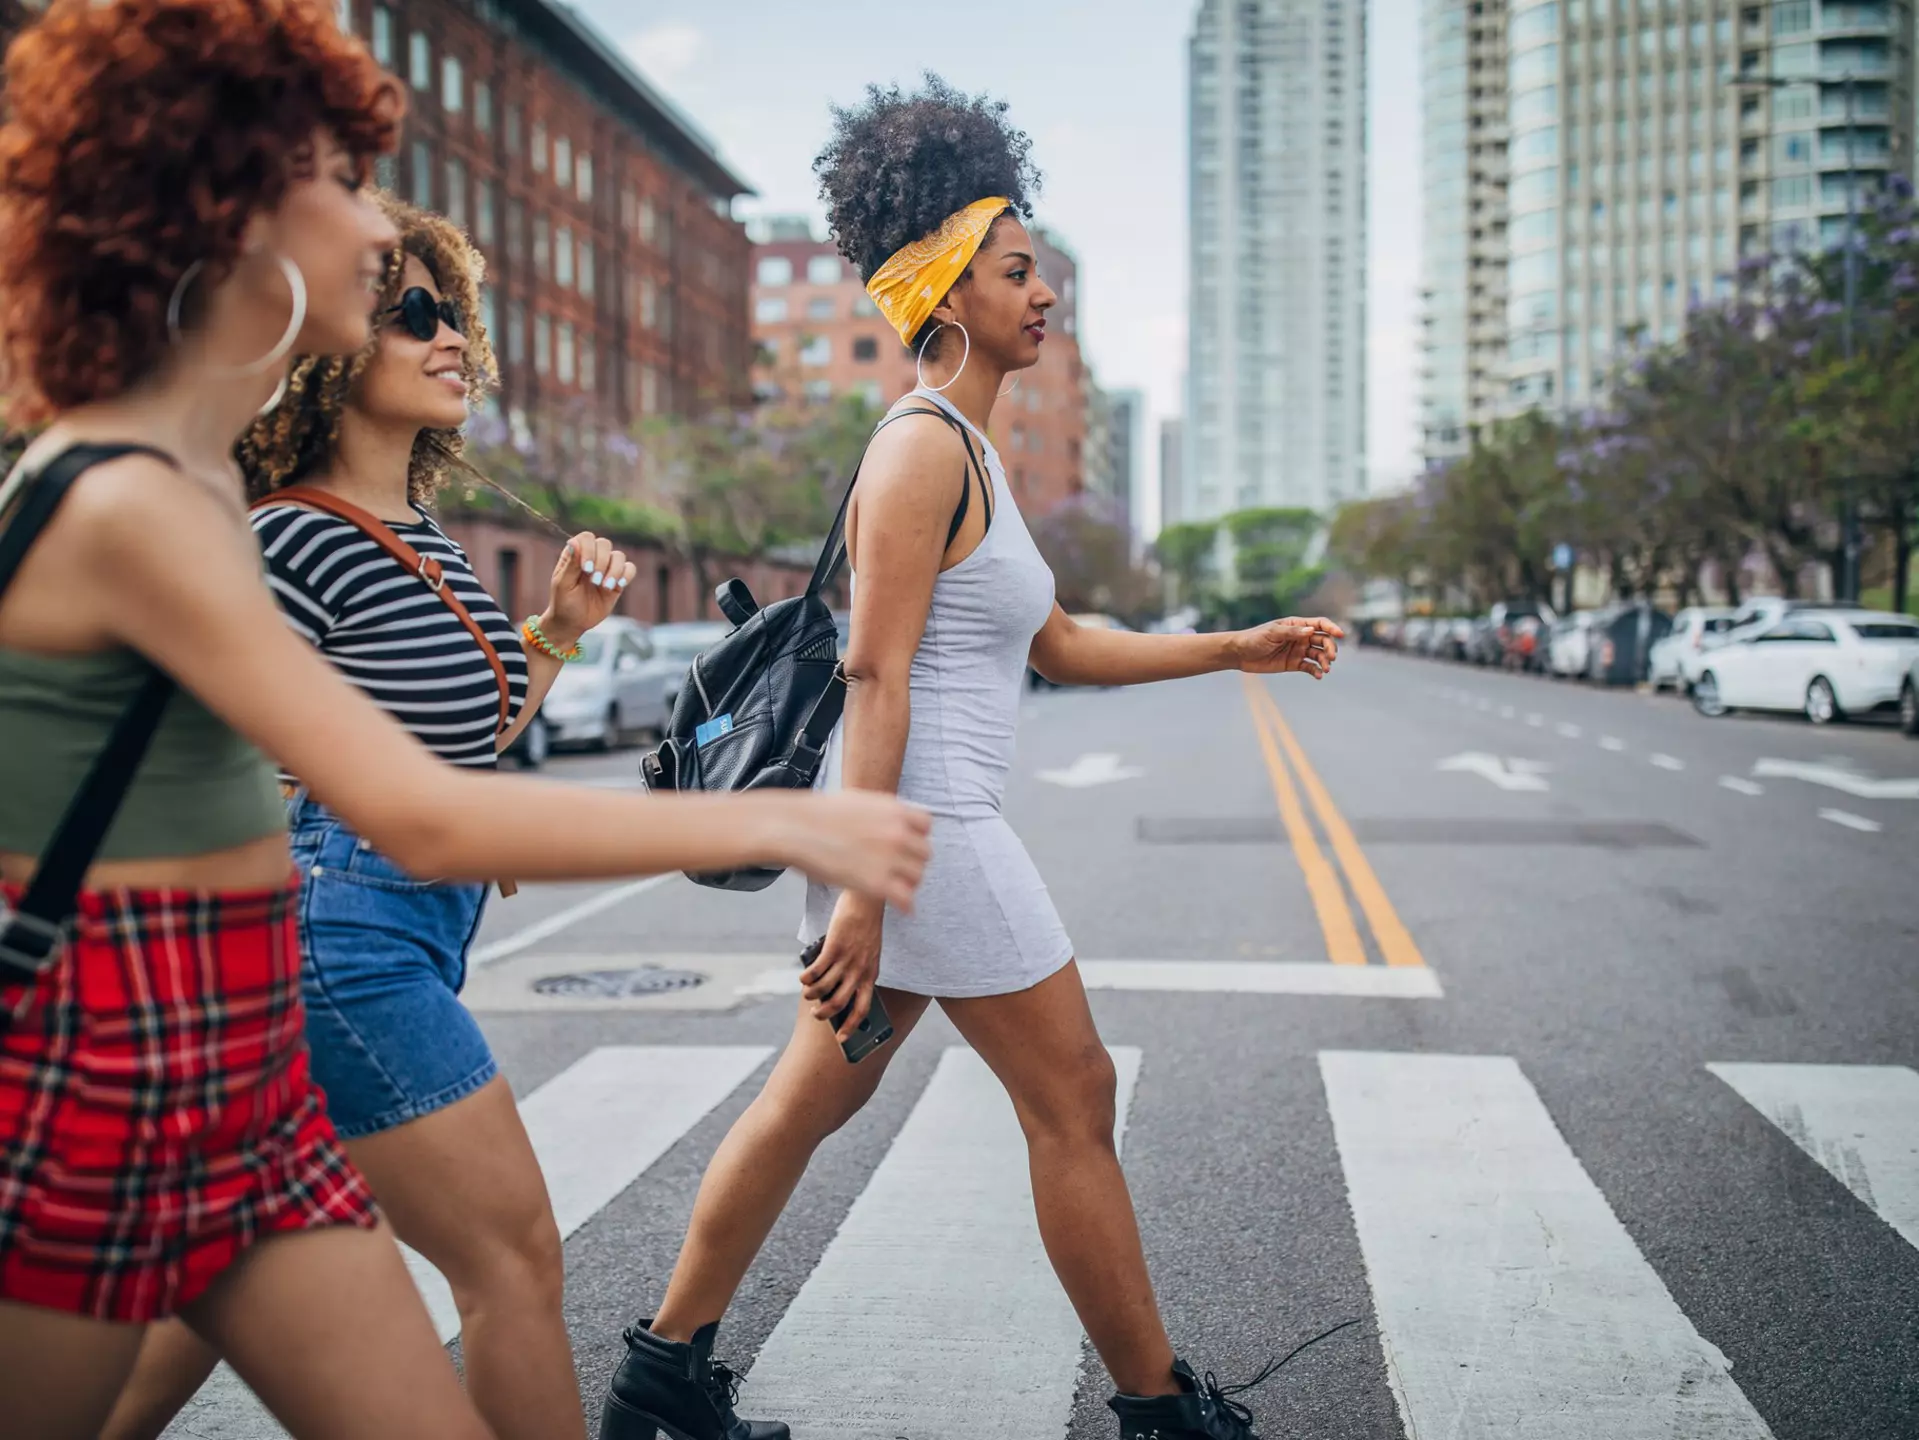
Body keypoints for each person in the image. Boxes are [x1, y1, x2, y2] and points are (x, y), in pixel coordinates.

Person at [0, 8, 928, 1440]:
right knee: (499, 1267)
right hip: (106, 1078)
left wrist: (547, 637)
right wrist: (781, 815)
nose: (379, 226)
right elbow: (419, 811)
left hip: (245, 1066)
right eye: (337, 180)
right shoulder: (131, 503)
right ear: (224, 210)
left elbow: (425, 761)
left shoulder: (183, 486)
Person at [598, 77, 1342, 1440]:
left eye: (1039, 270)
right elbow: (875, 674)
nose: (1042, 293)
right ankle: (1158, 1411)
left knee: (806, 1102)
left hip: (904, 839)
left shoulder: (971, 456)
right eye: (1014, 272)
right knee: (1073, 1095)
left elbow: (1058, 643)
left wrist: (1236, 647)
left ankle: (659, 1379)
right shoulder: (919, 452)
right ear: (944, 295)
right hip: (925, 834)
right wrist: (865, 893)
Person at [95, 194, 628, 1440]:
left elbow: (465, 735)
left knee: (224, 1272)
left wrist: (556, 631)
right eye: (411, 316)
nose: (451, 341)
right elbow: (199, 743)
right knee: (512, 1258)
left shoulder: (423, 537)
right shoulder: (289, 537)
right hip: (339, 932)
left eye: (453, 316)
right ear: (326, 350)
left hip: (400, 918)